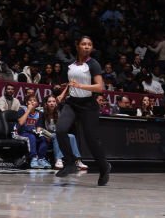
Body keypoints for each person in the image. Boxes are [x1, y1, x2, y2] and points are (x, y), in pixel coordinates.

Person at [53, 36, 111, 186]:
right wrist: (63, 93)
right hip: (72, 103)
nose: (86, 47)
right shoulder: (71, 65)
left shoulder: (93, 64)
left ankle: (104, 167)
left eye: (89, 44)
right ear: (77, 46)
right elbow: (71, 83)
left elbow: (99, 87)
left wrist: (80, 86)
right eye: (84, 44)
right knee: (60, 130)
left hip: (88, 105)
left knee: (92, 141)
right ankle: (70, 162)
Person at [43, 90, 87, 172]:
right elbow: (39, 128)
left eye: (53, 101)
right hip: (48, 135)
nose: (52, 103)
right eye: (49, 102)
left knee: (72, 136)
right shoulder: (42, 113)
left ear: (56, 103)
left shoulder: (60, 113)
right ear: (46, 104)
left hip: (57, 134)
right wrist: (46, 135)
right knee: (57, 136)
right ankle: (58, 159)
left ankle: (77, 160)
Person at [14, 95, 51, 169]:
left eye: (34, 100)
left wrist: (39, 132)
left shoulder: (39, 113)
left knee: (43, 138)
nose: (32, 102)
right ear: (27, 103)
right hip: (19, 132)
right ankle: (33, 158)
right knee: (31, 137)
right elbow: (21, 123)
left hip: (32, 132)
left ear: (37, 104)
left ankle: (41, 159)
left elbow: (39, 127)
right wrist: (28, 110)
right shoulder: (22, 110)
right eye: (30, 100)